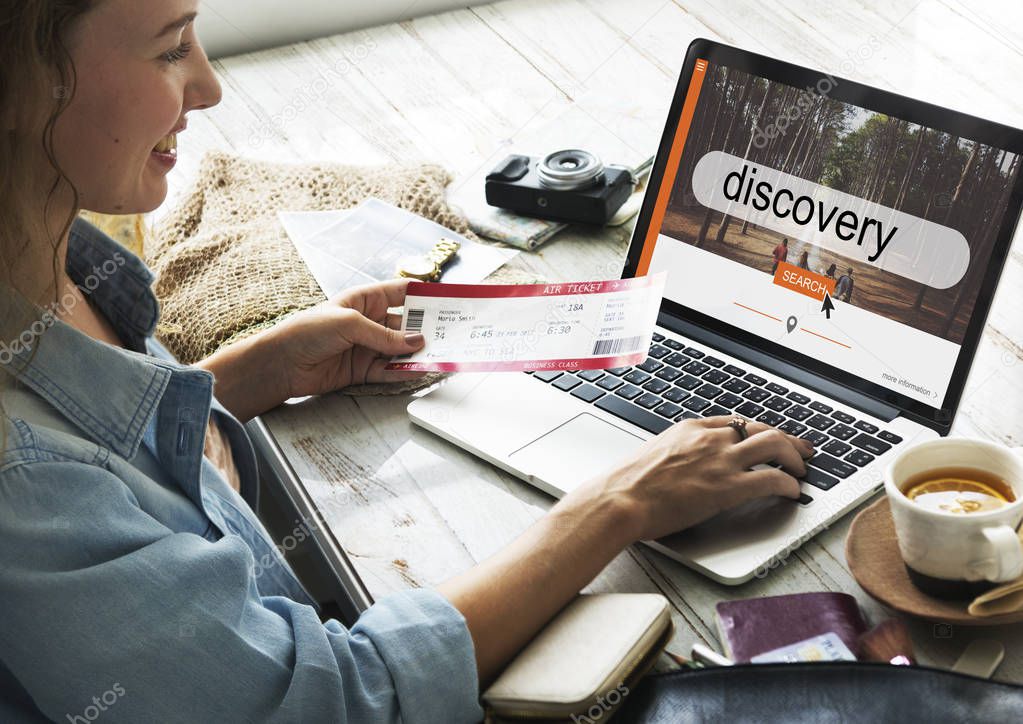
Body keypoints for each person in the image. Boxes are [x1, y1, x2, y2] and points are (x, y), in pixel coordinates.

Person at [0, 2, 814, 721]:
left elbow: (109, 453)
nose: (209, 86)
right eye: (171, 47)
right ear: (18, 82)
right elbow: (336, 702)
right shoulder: (23, 490)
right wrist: (618, 504)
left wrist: (257, 373)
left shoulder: (56, 257)